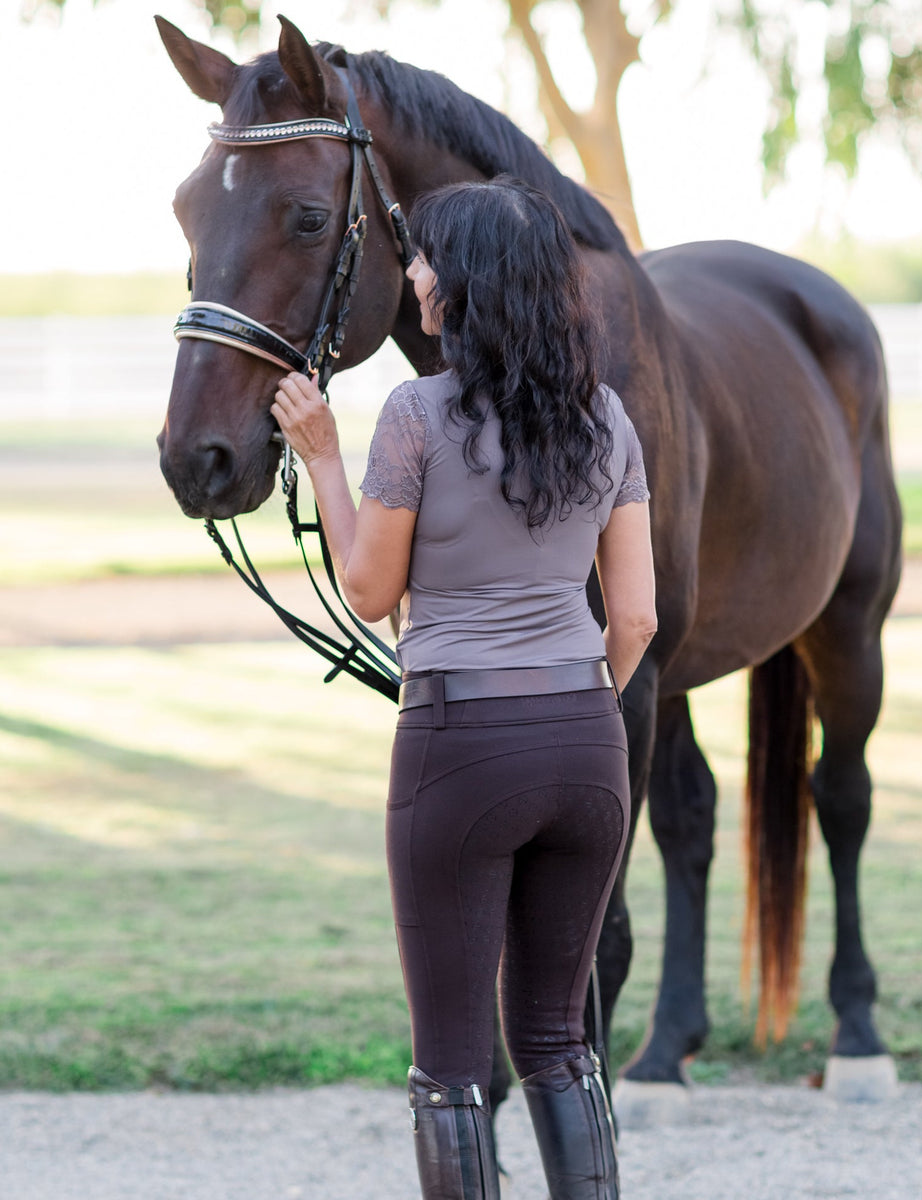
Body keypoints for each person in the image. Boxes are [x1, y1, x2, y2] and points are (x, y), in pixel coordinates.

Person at [270, 176, 656, 1200]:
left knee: (450, 1066)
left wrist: (320, 458)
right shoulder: (607, 419)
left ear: (472, 283)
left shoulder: (414, 415)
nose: (418, 275)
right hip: (587, 748)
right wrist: (576, 712)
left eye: (431, 257)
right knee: (556, 1041)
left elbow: (367, 589)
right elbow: (637, 620)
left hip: (457, 751)